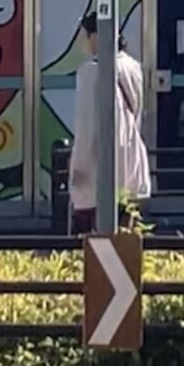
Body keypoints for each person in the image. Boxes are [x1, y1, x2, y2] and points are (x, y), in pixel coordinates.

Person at [67, 12, 150, 235]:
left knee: (91, 237)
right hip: (131, 156)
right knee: (128, 235)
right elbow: (137, 111)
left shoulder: (91, 71)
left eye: (84, 36)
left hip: (99, 164)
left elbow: (86, 125)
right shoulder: (133, 67)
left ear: (95, 36)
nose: (82, 42)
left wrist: (79, 169)